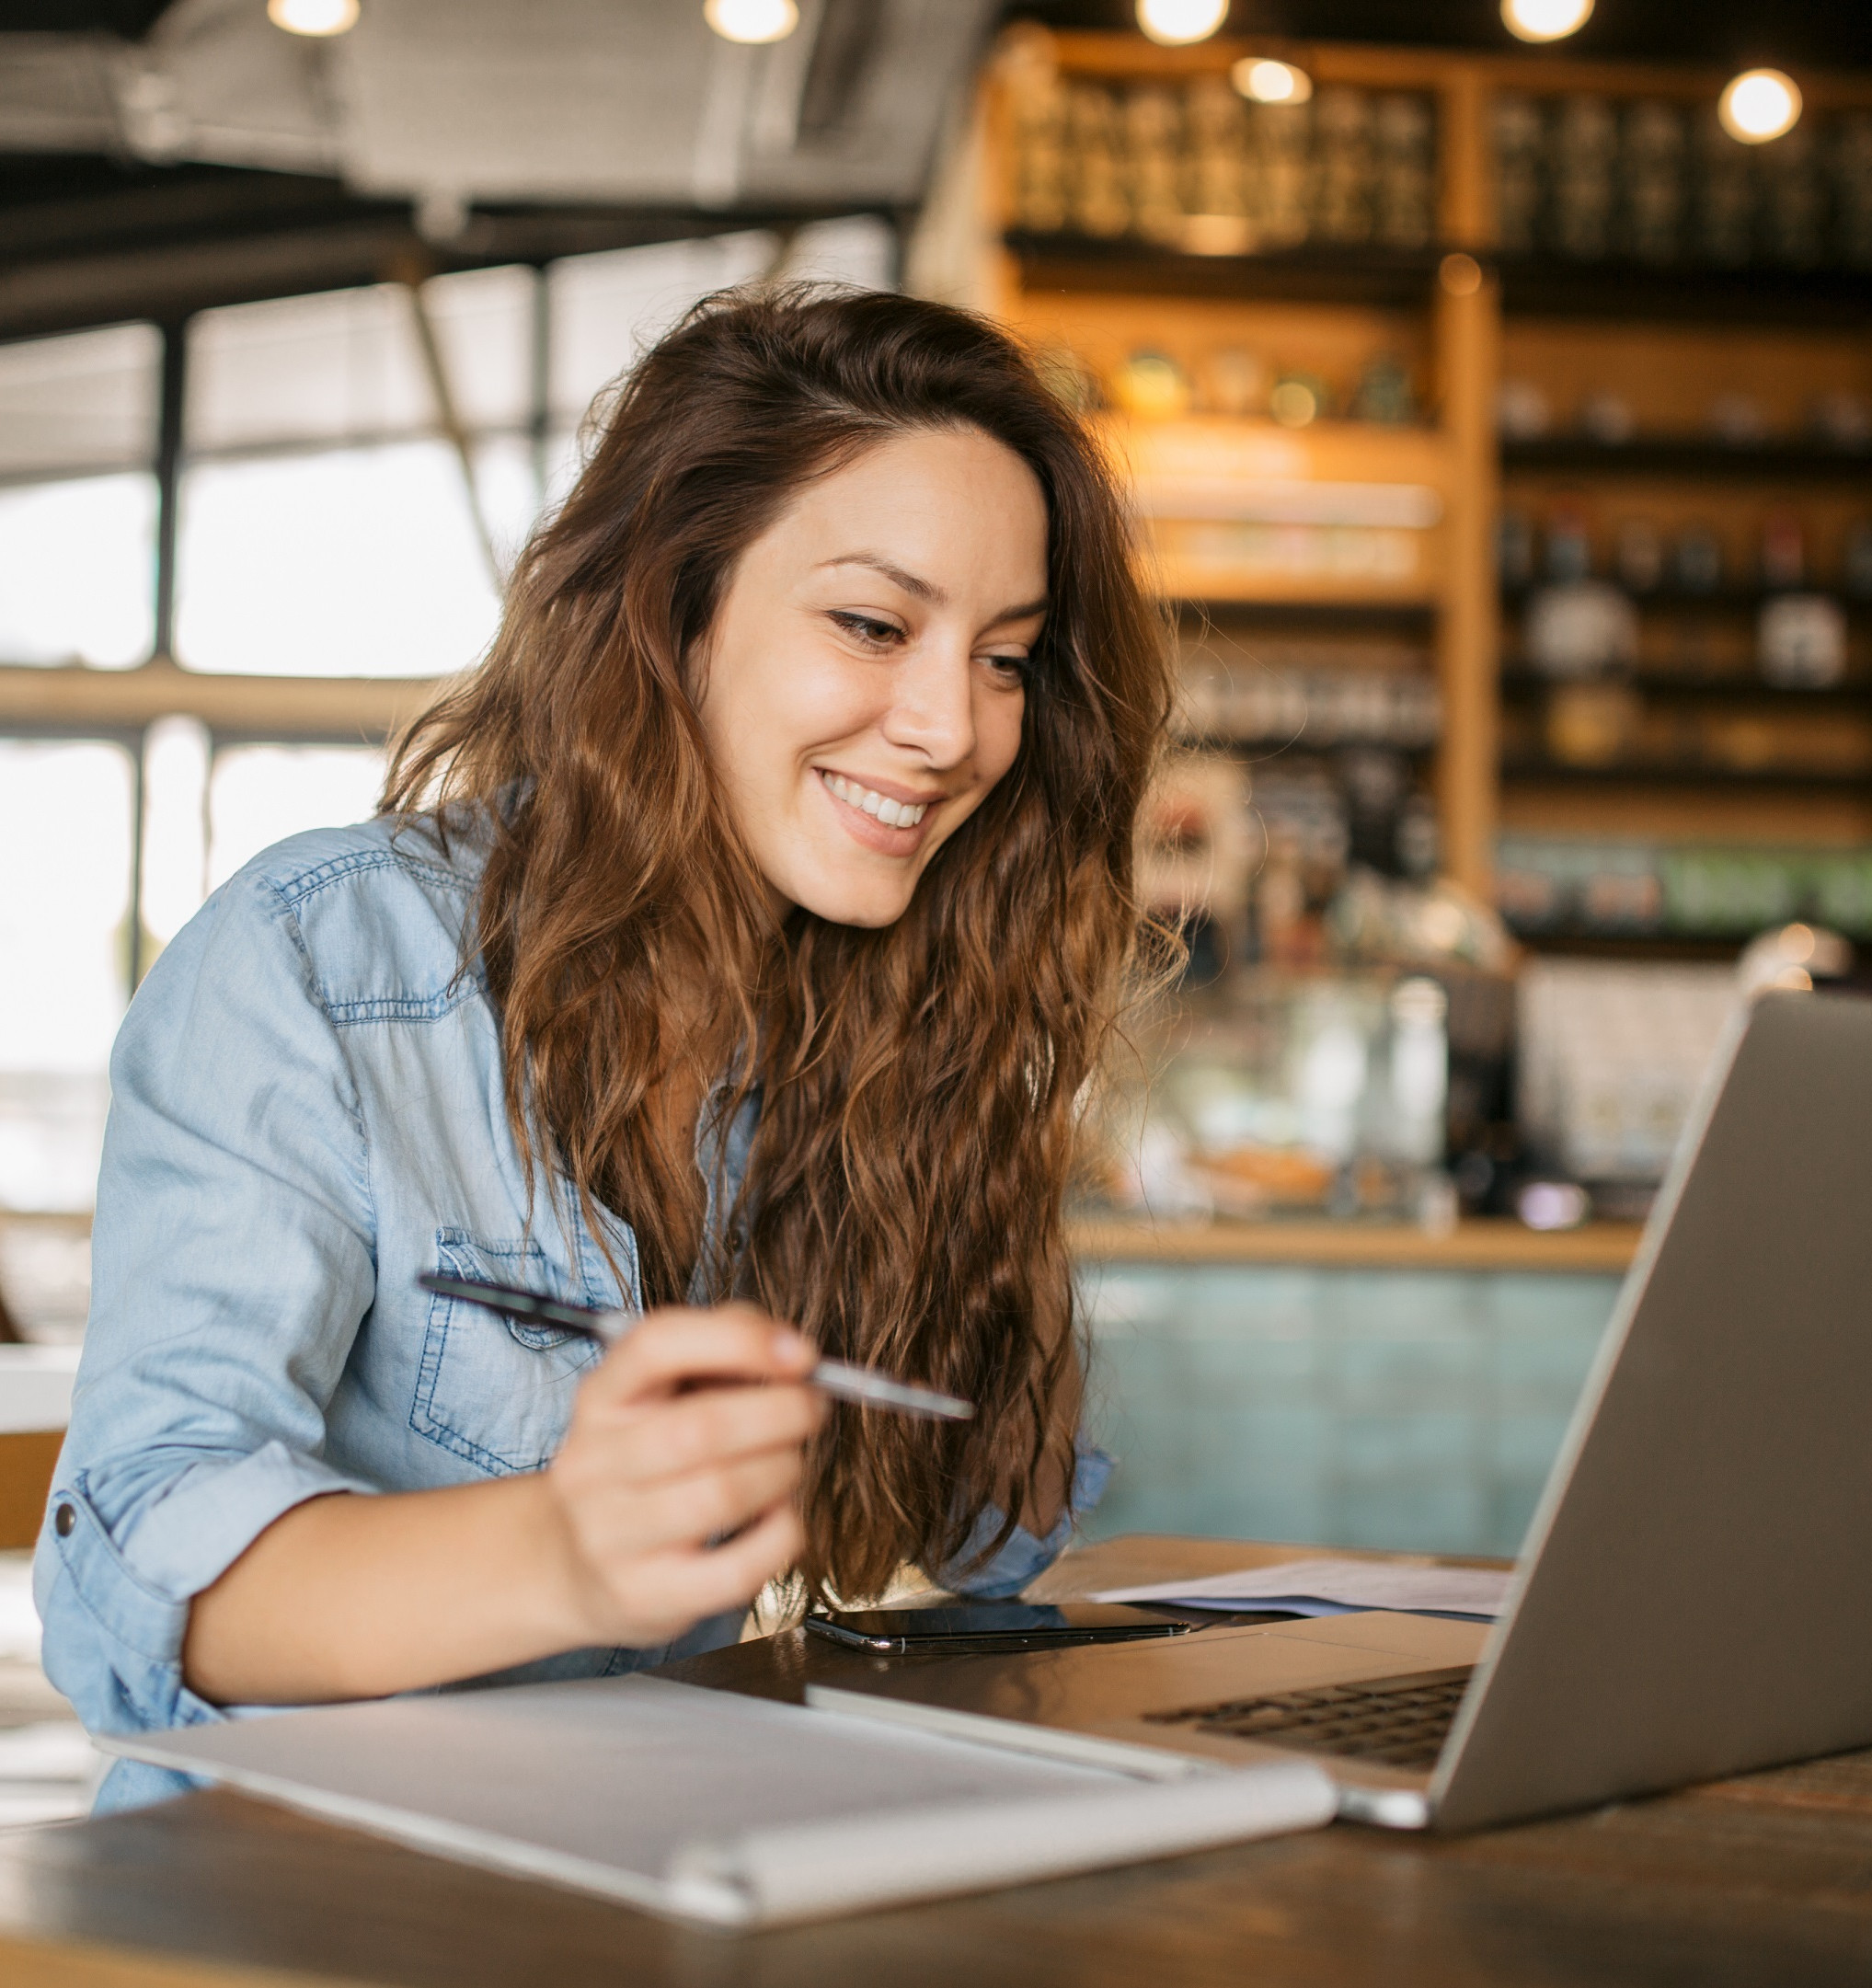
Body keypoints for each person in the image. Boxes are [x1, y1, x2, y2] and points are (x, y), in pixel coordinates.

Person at [34, 286, 1170, 1811]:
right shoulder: (318, 961)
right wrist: (566, 1547)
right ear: (671, 610)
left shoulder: (901, 1008)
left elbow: (991, 1544)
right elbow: (139, 1583)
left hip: (660, 1867)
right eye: (873, 625)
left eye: (1006, 658)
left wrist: (976, 1124)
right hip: (299, 1906)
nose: (954, 728)